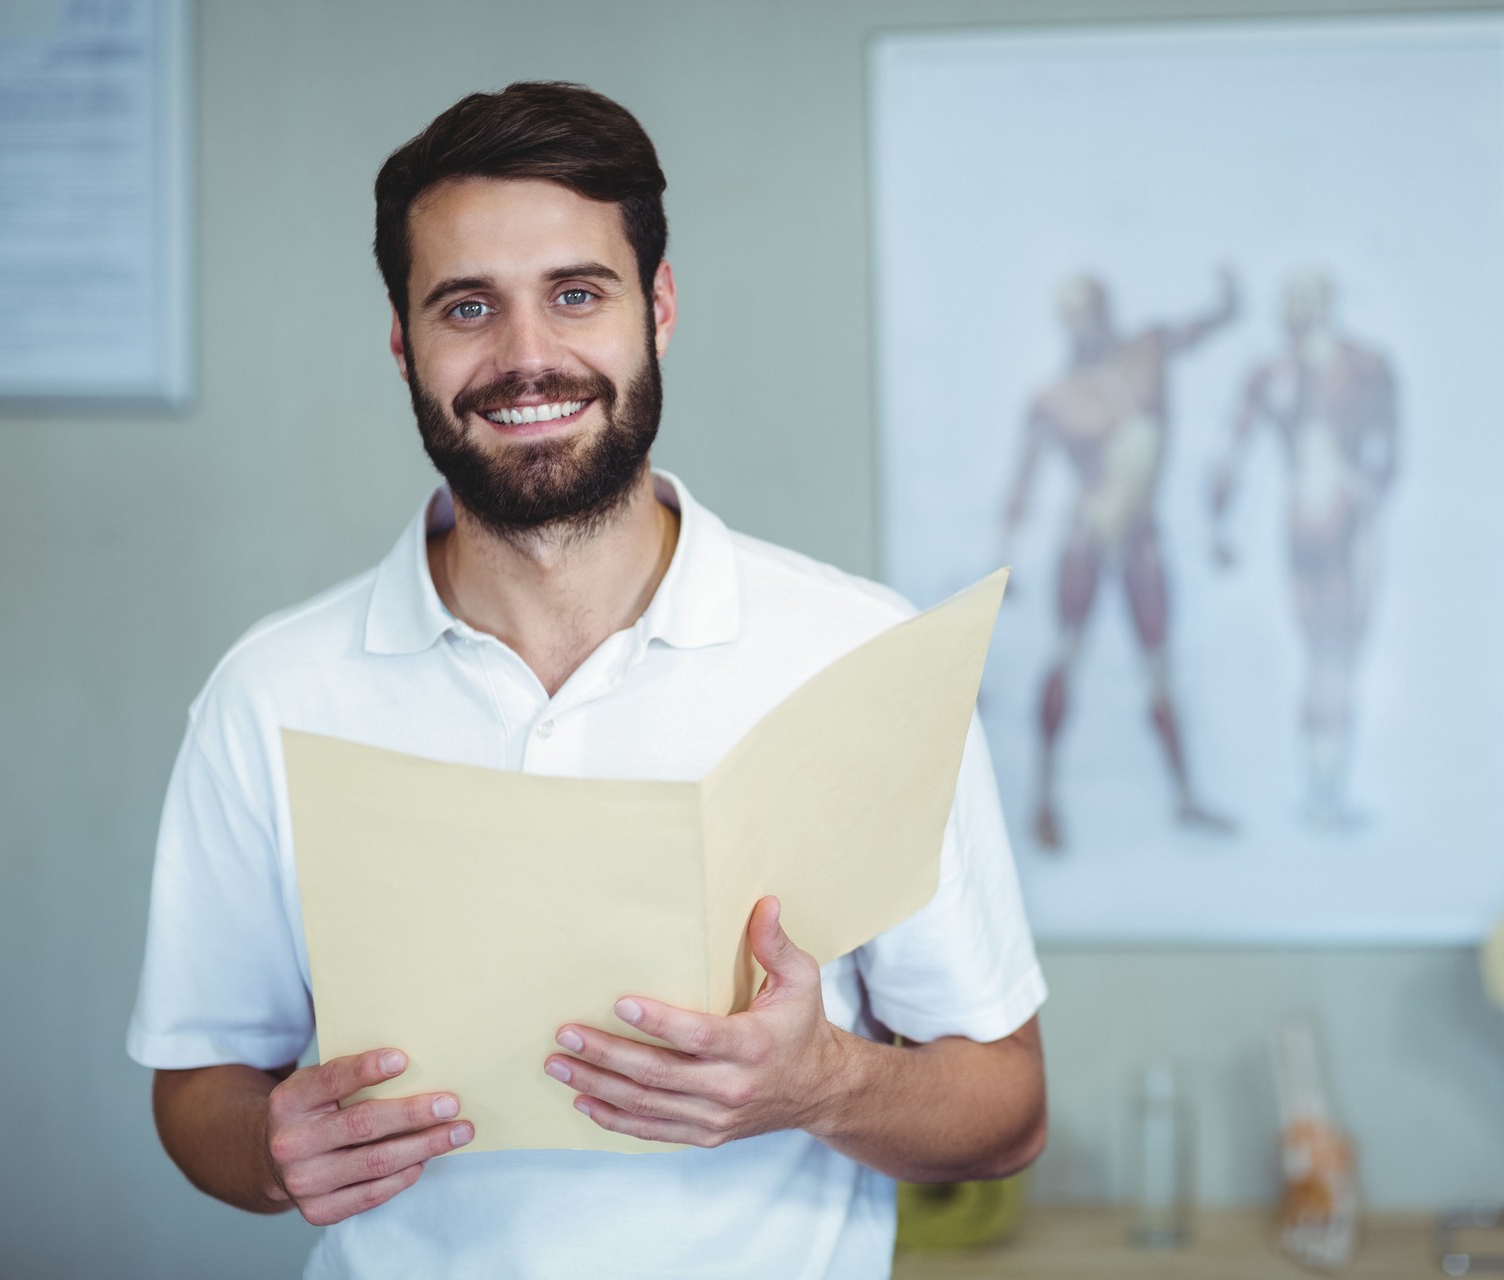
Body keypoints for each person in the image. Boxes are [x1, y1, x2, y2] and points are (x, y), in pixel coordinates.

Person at [127, 81, 1047, 1280]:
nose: (525, 358)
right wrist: (266, 1147)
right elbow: (200, 1086)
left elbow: (1008, 1108)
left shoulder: (855, 650)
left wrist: (824, 1080)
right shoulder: (270, 691)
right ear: (403, 343)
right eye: (467, 306)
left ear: (656, 307)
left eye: (576, 293)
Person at [998, 271, 1237, 850]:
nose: (1086, 324)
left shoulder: (1147, 352)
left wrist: (1227, 305)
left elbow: (1197, 330)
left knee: (1158, 666)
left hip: (1140, 537)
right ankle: (1043, 798)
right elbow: (1023, 486)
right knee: (1067, 656)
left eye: (1092, 311)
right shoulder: (1056, 398)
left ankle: (1184, 796)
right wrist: (1003, 563)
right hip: (1087, 536)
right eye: (1075, 315)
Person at [1210, 270, 1399, 829]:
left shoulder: (1366, 367)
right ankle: (1321, 788)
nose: (1298, 314)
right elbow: (1230, 448)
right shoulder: (1272, 375)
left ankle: (1329, 784)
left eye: (1307, 303)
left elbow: (1390, 446)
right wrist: (1218, 521)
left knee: (1339, 656)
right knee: (1325, 655)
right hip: (1309, 518)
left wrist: (1367, 495)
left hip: (1343, 512)